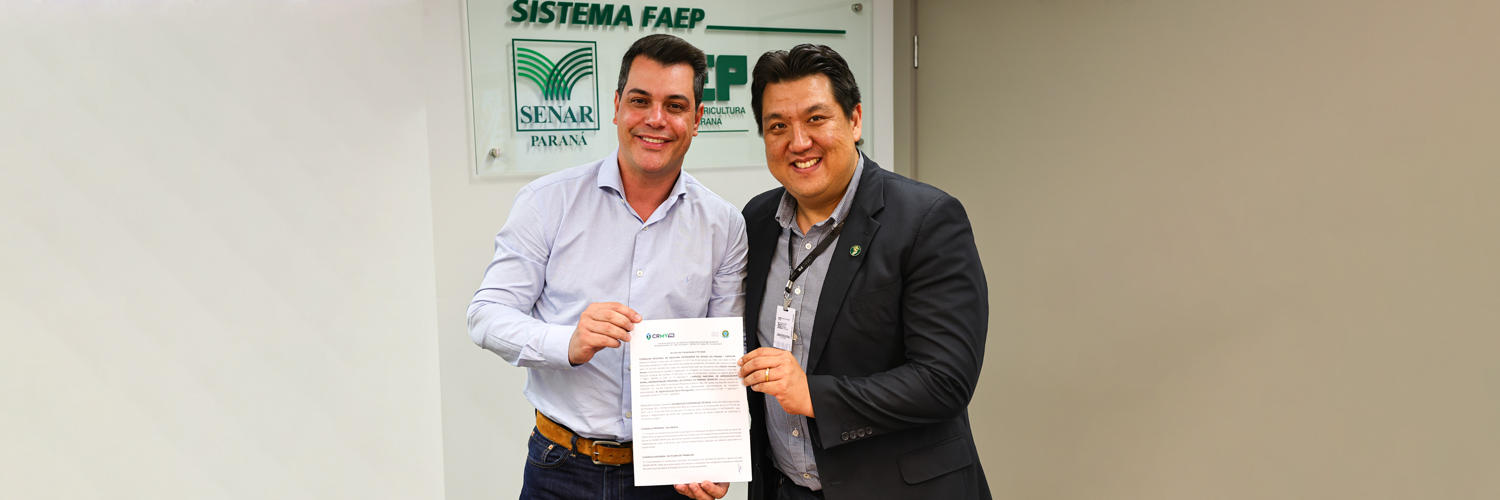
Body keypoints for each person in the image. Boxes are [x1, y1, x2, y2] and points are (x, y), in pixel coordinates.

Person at [675, 44, 991, 500]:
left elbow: (945, 381)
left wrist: (813, 395)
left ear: (855, 120)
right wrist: (713, 452)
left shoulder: (926, 220)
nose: (798, 142)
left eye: (816, 119)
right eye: (778, 126)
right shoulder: (757, 221)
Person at [467, 34, 747, 500]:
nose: (655, 119)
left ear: (698, 119)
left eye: (675, 105)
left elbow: (724, 352)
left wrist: (715, 452)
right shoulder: (546, 203)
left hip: (670, 476)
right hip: (560, 468)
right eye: (640, 101)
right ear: (617, 107)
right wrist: (568, 342)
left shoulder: (724, 224)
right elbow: (485, 316)